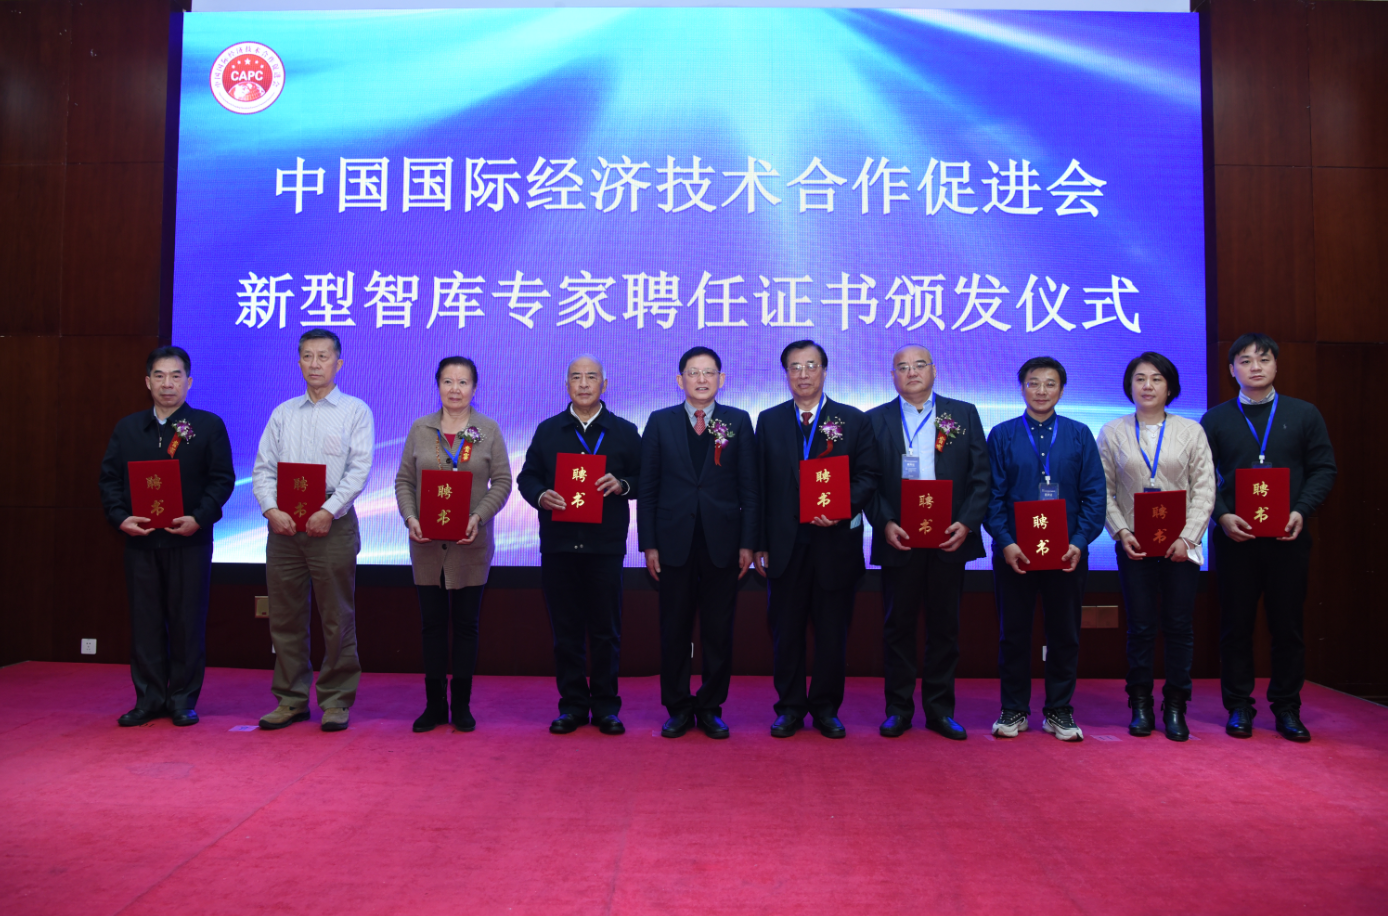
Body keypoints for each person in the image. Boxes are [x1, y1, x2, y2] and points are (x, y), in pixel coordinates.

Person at [1200, 333, 1336, 741]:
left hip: (1287, 539)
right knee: (1235, 626)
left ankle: (1287, 707)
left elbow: (1323, 469)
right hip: (1235, 540)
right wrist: (1222, 516)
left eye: (1263, 359)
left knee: (1287, 627)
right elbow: (1202, 478)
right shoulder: (1215, 419)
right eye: (1245, 360)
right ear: (1232, 370)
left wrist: (1301, 510)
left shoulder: (1304, 413)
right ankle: (1239, 706)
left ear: (1276, 365)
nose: (1255, 367)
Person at [98, 346, 235, 727]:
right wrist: (120, 518)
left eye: (176, 376)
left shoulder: (207, 425)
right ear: (147, 382)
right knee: (145, 622)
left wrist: (199, 518)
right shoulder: (128, 428)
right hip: (140, 542)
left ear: (189, 382)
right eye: (159, 376)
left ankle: (182, 699)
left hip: (189, 541)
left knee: (187, 621)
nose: (167, 384)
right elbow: (109, 480)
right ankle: (148, 699)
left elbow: (221, 479)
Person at [754, 340, 879, 739]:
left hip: (835, 544)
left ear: (825, 371)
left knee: (831, 634)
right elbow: (759, 487)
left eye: (811, 366)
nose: (803, 374)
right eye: (795, 367)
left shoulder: (853, 420)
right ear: (785, 374)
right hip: (785, 546)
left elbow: (868, 477)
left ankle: (826, 708)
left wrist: (842, 507)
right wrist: (760, 542)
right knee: (786, 632)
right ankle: (789, 708)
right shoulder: (769, 421)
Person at [252, 329, 374, 732]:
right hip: (284, 526)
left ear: (339, 363)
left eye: (323, 356)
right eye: (308, 356)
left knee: (337, 616)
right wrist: (270, 509)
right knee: (285, 616)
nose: (315, 363)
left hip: (332, 522)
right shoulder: (283, 413)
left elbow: (359, 470)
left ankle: (336, 700)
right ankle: (291, 699)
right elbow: (263, 469)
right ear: (299, 362)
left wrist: (327, 510)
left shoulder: (355, 411)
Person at [866, 345, 989, 741]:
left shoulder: (963, 414)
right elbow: (867, 481)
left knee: (945, 627)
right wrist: (884, 522)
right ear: (893, 376)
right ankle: (898, 710)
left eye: (919, 365)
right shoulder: (875, 419)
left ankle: (940, 710)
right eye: (902, 367)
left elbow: (981, 476)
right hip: (899, 537)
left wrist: (966, 523)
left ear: (934, 371)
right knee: (897, 627)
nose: (912, 372)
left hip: (948, 537)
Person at [517, 355, 642, 736]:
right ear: (566, 385)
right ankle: (571, 706)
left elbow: (645, 477)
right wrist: (541, 495)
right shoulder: (548, 430)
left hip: (605, 547)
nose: (584, 384)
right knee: (566, 632)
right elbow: (527, 477)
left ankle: (606, 707)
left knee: (606, 631)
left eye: (591, 377)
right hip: (559, 546)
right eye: (576, 377)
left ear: (605, 384)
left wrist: (623, 484)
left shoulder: (624, 431)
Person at [638, 346, 758, 739]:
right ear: (680, 380)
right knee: (674, 628)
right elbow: (648, 488)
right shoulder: (660, 422)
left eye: (709, 372)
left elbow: (749, 488)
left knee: (718, 630)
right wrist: (649, 544)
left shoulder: (737, 421)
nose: (701, 379)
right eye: (693, 372)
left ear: (721, 379)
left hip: (723, 542)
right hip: (673, 542)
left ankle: (710, 707)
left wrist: (748, 542)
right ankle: (677, 706)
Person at [984, 356, 1105, 741]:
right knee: (1013, 633)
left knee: (1064, 634)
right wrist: (1006, 543)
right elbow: (991, 496)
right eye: (1033, 383)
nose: (1041, 391)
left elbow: (1095, 495)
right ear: (1021, 387)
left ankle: (1059, 710)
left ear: (1062, 390)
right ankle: (1014, 708)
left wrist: (1079, 542)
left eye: (1050, 384)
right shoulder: (1002, 435)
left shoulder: (1079, 434)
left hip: (1067, 554)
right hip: (1014, 555)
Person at [1097, 352, 1215, 741]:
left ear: (1170, 387)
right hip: (1134, 544)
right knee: (1141, 626)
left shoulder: (1191, 430)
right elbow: (1103, 490)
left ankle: (1176, 705)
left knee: (1179, 626)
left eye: (1156, 379)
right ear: (1129, 385)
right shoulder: (1112, 431)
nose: (1147, 386)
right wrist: (1120, 531)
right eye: (1140, 378)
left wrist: (1188, 536)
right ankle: (1141, 703)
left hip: (1181, 546)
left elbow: (1205, 487)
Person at [394, 356, 512, 733]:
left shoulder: (487, 430)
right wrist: (410, 518)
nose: (455, 389)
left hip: (470, 545)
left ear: (475, 388)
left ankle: (461, 705)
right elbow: (404, 481)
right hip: (427, 544)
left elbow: (503, 482)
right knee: (431, 626)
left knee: (465, 626)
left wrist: (478, 516)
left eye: (463, 382)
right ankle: (434, 706)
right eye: (448, 381)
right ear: (438, 385)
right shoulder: (420, 428)